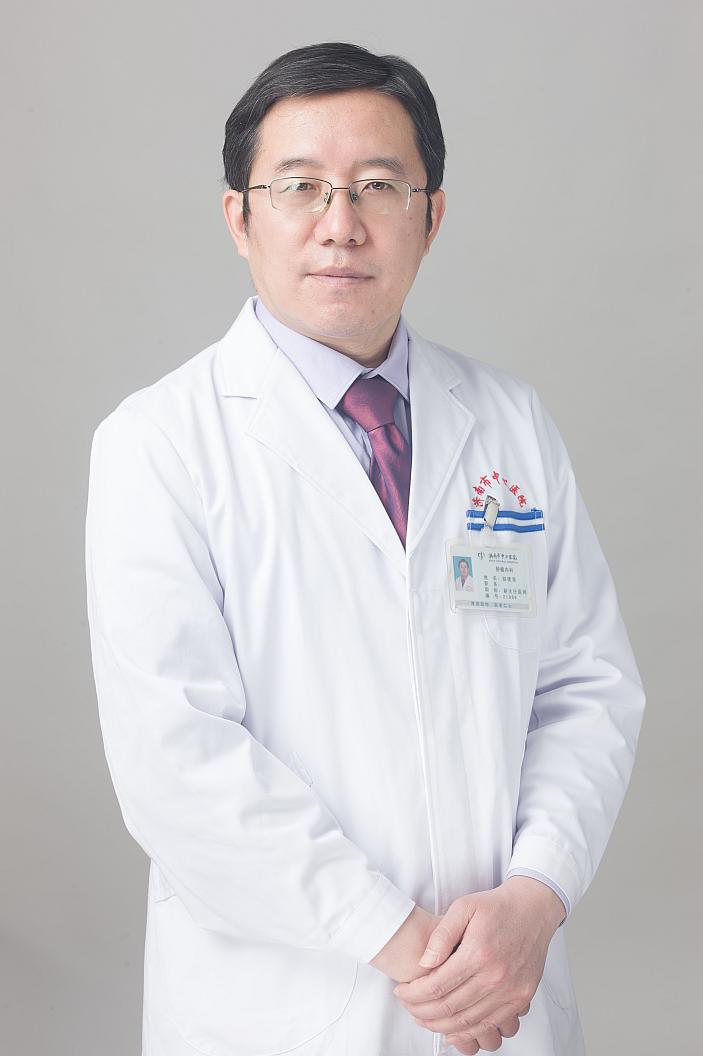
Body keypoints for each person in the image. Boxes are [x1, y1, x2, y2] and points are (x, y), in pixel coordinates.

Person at [84, 41, 646, 1056]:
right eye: (299, 186)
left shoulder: (510, 423)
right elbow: (177, 761)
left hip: (506, 993)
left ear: (431, 216)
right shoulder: (158, 444)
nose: (339, 223)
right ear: (238, 217)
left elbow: (586, 689)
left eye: (378, 186)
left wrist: (536, 894)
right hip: (286, 1011)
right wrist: (409, 947)